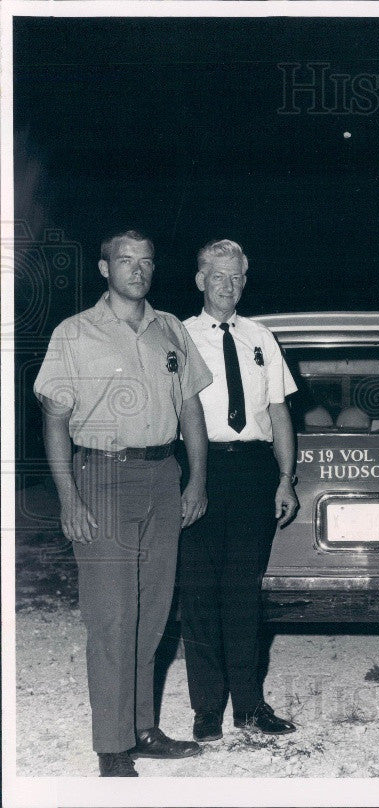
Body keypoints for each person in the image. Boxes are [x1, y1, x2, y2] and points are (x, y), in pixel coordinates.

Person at [34, 230, 212, 777]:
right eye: (125, 261)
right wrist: (69, 496)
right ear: (104, 267)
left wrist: (197, 482)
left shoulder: (171, 329)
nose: (137, 270)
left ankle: (143, 727)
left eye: (146, 261)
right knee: (111, 615)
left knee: (152, 612)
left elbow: (191, 413)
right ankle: (112, 744)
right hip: (102, 478)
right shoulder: (75, 332)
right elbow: (55, 418)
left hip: (163, 476)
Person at [177, 239, 299, 741]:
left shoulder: (261, 337)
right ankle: (207, 709)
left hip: (253, 470)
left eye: (237, 277)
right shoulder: (178, 336)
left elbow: (278, 411)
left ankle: (249, 706)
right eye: (219, 276)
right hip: (197, 468)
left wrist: (286, 477)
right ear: (201, 279)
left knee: (243, 594)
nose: (228, 286)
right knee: (199, 592)